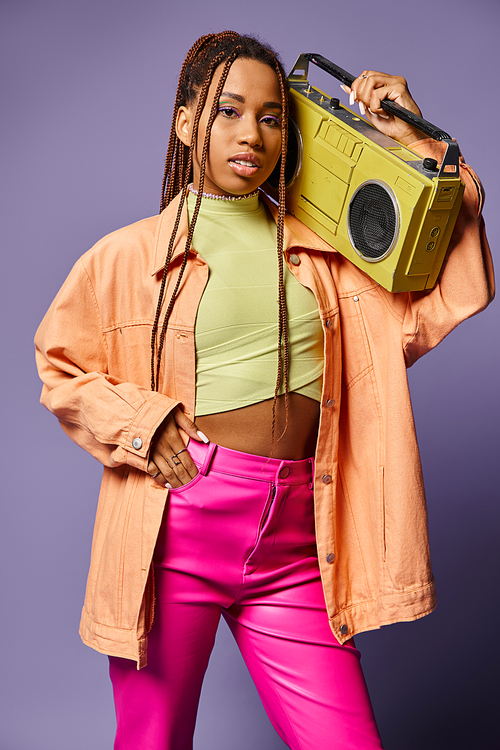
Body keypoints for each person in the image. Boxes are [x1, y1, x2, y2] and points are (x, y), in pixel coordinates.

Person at [34, 30, 494, 750]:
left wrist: (418, 142)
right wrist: (144, 424)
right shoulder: (127, 256)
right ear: (186, 123)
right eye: (228, 111)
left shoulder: (329, 258)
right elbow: (60, 367)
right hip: (177, 530)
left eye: (273, 116)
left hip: (299, 541)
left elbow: (451, 288)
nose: (252, 133)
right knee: (153, 741)